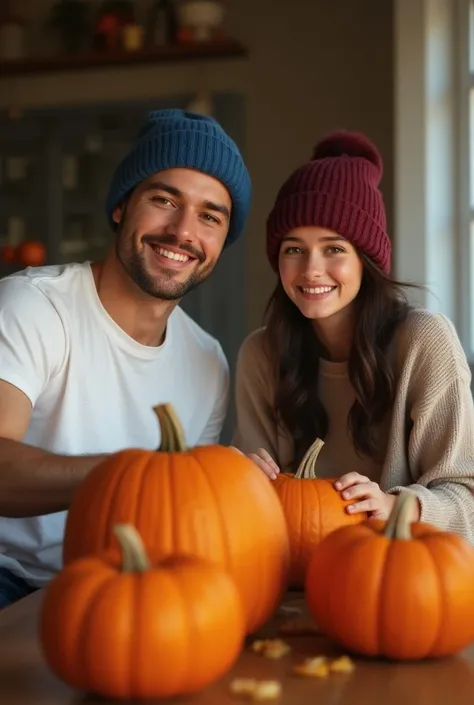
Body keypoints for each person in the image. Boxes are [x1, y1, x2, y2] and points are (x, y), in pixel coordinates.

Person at [0, 108, 252, 606]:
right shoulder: (33, 305)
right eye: (164, 200)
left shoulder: (208, 361)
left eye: (209, 216)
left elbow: (179, 513)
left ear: (222, 240)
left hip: (127, 586)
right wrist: (135, 473)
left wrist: (234, 485)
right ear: (121, 207)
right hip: (9, 578)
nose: (183, 231)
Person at [233, 129, 474, 542]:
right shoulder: (261, 354)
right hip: (296, 582)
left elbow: (466, 498)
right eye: (293, 249)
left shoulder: (423, 341)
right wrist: (238, 480)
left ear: (367, 261)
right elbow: (252, 516)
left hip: (401, 576)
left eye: (334, 249)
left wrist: (397, 507)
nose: (310, 269)